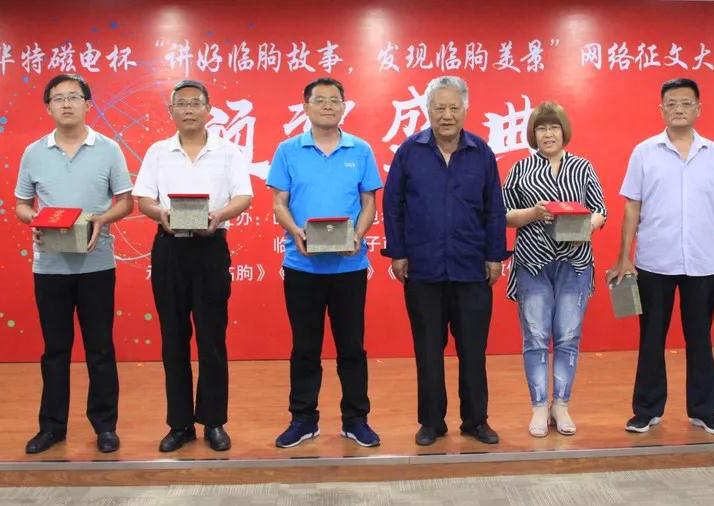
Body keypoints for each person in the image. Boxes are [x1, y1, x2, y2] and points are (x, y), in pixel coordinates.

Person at [609, 78, 714, 436]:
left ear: (698, 108)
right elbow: (632, 206)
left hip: (702, 262)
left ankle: (704, 410)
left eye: (685, 103)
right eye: (671, 103)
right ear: (661, 109)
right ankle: (647, 410)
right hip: (654, 260)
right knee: (651, 338)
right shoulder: (644, 152)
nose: (678, 109)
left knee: (700, 338)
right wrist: (624, 257)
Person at [382, 75, 508, 446]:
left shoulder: (481, 152)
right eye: (440, 108)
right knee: (427, 352)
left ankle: (476, 420)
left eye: (454, 107)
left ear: (466, 110)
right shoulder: (410, 151)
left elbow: (494, 208)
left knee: (473, 351)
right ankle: (431, 422)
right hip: (423, 268)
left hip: (472, 268)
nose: (447, 115)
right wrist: (398, 252)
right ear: (428, 110)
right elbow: (393, 205)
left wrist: (495, 256)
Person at [14, 73, 133, 454]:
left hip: (97, 264)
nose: (66, 104)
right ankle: (52, 427)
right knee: (55, 350)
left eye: (74, 97)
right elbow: (21, 204)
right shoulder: (34, 152)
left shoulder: (109, 149)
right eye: (58, 98)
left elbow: (126, 202)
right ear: (48, 107)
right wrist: (34, 220)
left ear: (87, 104)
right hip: (49, 266)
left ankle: (105, 427)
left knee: (100, 349)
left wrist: (102, 219)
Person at [134, 80, 253, 452]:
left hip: (210, 248)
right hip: (170, 248)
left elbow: (244, 196)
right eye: (181, 104)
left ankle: (214, 421)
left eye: (195, 103)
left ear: (208, 109)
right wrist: (161, 214)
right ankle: (180, 424)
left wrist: (218, 215)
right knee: (173, 339)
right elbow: (143, 198)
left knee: (212, 339)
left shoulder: (228, 152)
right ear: (171, 111)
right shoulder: (158, 151)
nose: (188, 109)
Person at [268, 78, 382, 449]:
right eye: (320, 100)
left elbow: (369, 203)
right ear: (306, 106)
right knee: (305, 347)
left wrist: (358, 235)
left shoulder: (360, 150)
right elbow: (279, 203)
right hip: (302, 266)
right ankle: (303, 419)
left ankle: (356, 420)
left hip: (349, 267)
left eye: (335, 100)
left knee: (352, 347)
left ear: (344, 106)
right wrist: (295, 232)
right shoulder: (288, 150)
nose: (328, 106)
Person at [502, 102, 606, 437]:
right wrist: (534, 213)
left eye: (554, 127)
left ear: (564, 131)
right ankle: (538, 405)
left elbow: (600, 210)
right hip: (533, 263)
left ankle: (560, 405)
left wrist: (585, 226)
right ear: (533, 134)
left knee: (568, 336)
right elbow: (504, 214)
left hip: (575, 263)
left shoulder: (583, 167)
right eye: (542, 128)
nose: (548, 134)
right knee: (535, 337)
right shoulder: (520, 169)